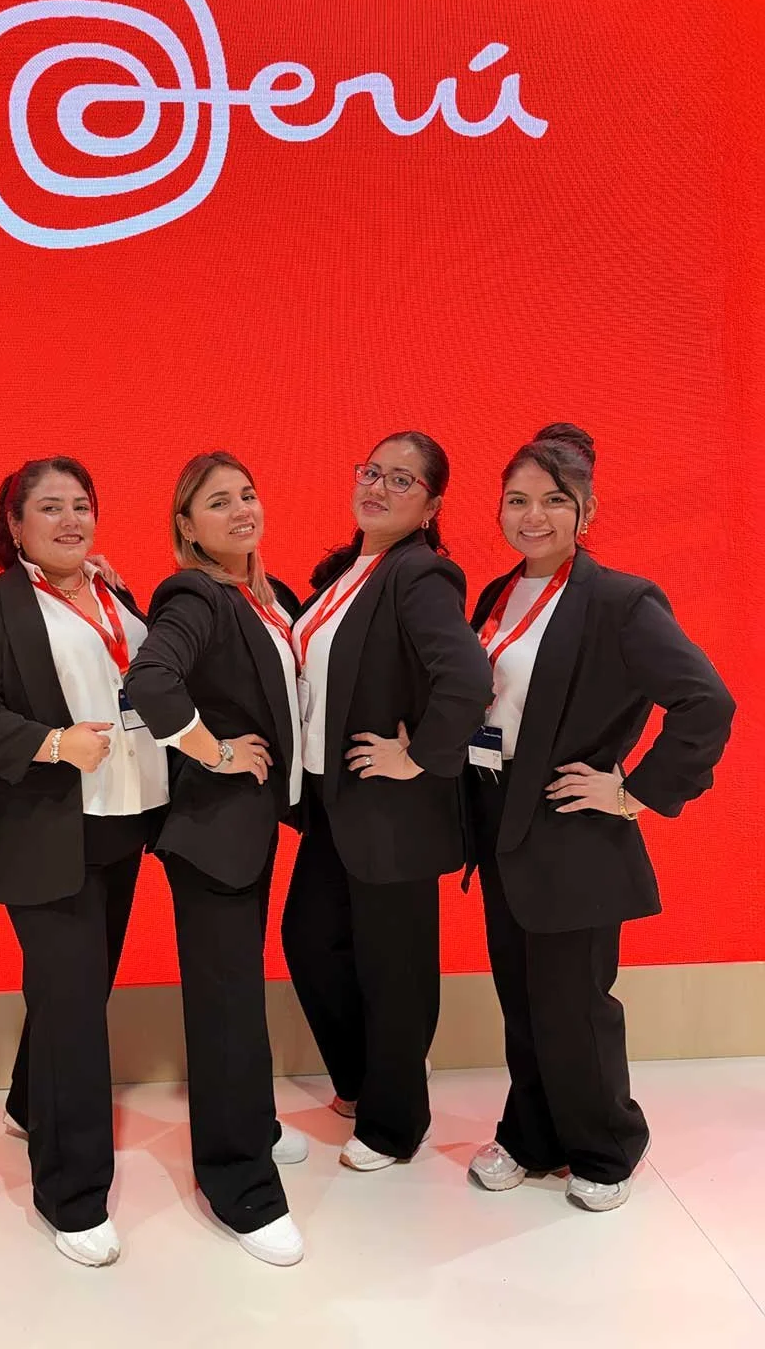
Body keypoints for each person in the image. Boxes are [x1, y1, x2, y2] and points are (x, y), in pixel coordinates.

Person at [465, 423, 735, 1211]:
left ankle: (605, 1145)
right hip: (502, 821)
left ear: (587, 509)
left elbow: (705, 701)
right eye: (517, 500)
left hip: (569, 831)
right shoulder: (497, 592)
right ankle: (532, 1133)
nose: (532, 516)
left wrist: (634, 791)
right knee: (521, 995)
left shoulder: (619, 600)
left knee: (574, 1004)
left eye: (554, 500)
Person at [0, 457, 168, 1267]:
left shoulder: (113, 593)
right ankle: (70, 1197)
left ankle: (26, 1104)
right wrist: (50, 743)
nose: (70, 521)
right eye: (49, 508)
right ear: (14, 526)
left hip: (121, 826)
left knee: (77, 990)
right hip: (47, 835)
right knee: (76, 1010)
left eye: (82, 504)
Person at [281, 432, 492, 1171]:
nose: (378, 487)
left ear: (432, 504)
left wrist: (419, 757)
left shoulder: (420, 574)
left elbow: (467, 677)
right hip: (336, 805)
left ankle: (395, 1121)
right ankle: (368, 1079)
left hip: (392, 812)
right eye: (371, 471)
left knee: (394, 966)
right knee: (310, 940)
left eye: (402, 481)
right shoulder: (349, 573)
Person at [124, 451, 308, 1267]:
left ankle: (254, 1123)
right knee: (226, 1004)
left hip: (252, 828)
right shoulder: (196, 592)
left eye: (247, 494)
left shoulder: (266, 595)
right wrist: (216, 753)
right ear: (185, 528)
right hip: (213, 834)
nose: (240, 510)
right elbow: (153, 681)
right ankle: (240, 1186)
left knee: (243, 991)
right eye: (217, 503)